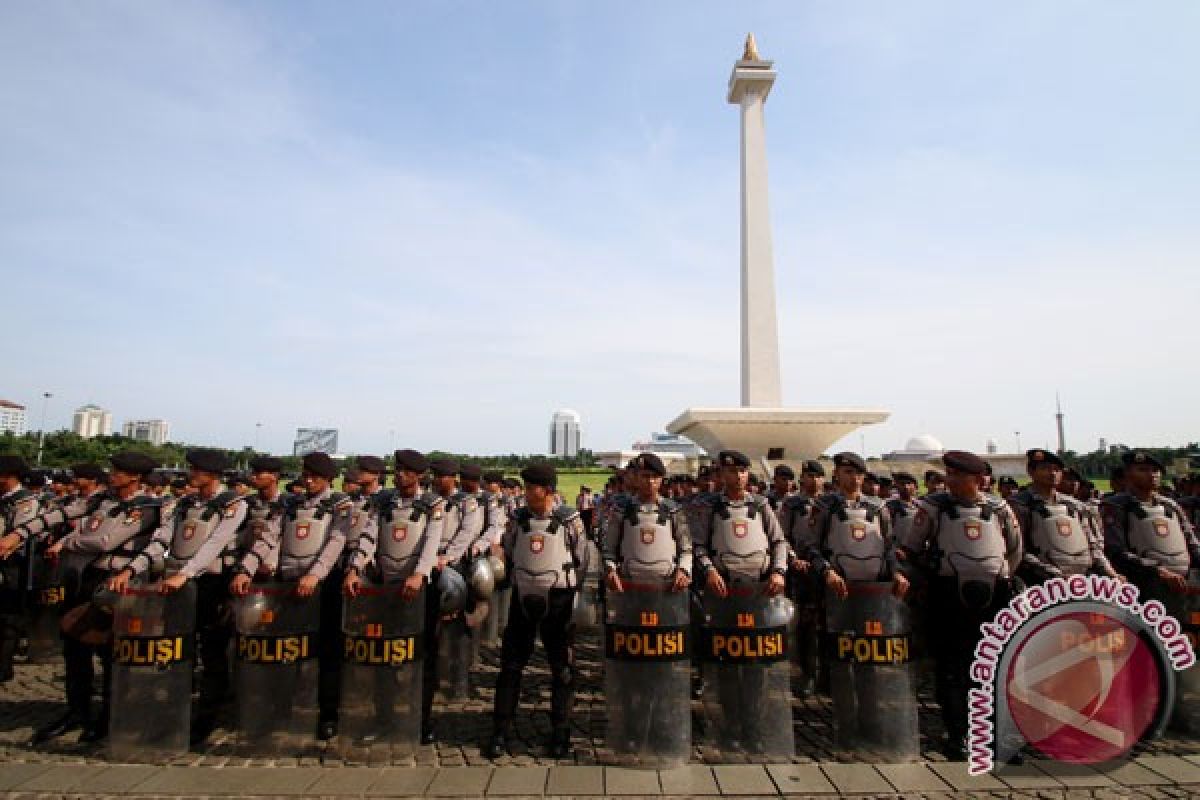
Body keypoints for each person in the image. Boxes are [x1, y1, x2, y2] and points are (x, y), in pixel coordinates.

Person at [106, 449, 248, 743]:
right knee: (174, 649)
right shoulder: (185, 505)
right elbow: (160, 541)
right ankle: (174, 711)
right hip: (176, 584)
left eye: (196, 470)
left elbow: (215, 543)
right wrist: (131, 570)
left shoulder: (233, 505)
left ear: (211, 474)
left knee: (212, 653)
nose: (190, 474)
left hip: (211, 583)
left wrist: (186, 573)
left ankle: (206, 718)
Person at [23, 451, 163, 744]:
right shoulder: (102, 500)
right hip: (86, 577)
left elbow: (106, 540)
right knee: (74, 646)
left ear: (134, 477)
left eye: (118, 471)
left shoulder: (146, 507)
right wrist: (20, 533)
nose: (112, 475)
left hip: (118, 582)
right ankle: (77, 710)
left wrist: (68, 542)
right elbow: (60, 515)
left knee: (111, 650)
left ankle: (109, 715)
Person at [899, 450, 1022, 760]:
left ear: (979, 480)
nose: (950, 480)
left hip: (994, 595)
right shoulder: (934, 507)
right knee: (953, 667)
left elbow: (1015, 550)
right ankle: (958, 735)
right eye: (949, 474)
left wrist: (998, 574)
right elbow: (912, 549)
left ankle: (995, 734)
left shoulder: (998, 508)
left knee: (995, 664)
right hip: (949, 595)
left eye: (958, 475)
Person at [230, 451, 356, 740]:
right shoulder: (289, 505)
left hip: (322, 584)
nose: (308, 481)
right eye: (306, 475)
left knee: (326, 652)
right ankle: (282, 708)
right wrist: (246, 569)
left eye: (315, 477)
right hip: (287, 582)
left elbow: (336, 540)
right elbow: (267, 538)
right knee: (286, 649)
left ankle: (327, 714)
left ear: (328, 479)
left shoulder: (339, 505)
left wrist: (316, 573)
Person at [486, 463, 589, 759]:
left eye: (533, 488)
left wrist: (571, 590)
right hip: (523, 596)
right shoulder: (518, 518)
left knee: (562, 668)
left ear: (548, 490)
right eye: (527, 487)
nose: (527, 492)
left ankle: (561, 730)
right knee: (510, 665)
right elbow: (507, 547)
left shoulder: (570, 520)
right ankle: (501, 729)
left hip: (558, 598)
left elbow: (581, 558)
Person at [343, 448, 442, 744]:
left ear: (420, 475)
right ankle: (382, 717)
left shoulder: (431, 504)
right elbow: (369, 536)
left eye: (407, 471)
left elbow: (430, 541)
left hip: (419, 588)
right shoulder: (383, 502)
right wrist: (354, 568)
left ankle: (421, 720)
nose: (400, 474)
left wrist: (420, 573)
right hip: (385, 587)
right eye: (397, 469)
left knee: (423, 657)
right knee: (384, 654)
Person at [691, 450, 788, 752]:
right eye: (732, 472)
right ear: (721, 475)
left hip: (758, 593)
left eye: (743, 471)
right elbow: (698, 546)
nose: (738, 477)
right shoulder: (710, 507)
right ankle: (730, 726)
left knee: (756, 666)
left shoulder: (761, 505)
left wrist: (779, 571)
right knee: (728, 665)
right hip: (724, 595)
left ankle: (753, 728)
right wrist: (708, 571)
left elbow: (779, 541)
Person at [1007, 449, 1119, 584]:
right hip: (1041, 581)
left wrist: (1111, 573)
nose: (1052, 473)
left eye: (1057, 470)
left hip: (1082, 579)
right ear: (1031, 472)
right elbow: (1018, 550)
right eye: (1045, 469)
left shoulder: (1075, 506)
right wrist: (1054, 575)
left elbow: (1093, 546)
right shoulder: (1019, 505)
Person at [1102, 451, 1199, 599]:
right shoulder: (1116, 506)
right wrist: (1158, 571)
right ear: (1128, 474)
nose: (1152, 474)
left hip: (1183, 584)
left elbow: (1192, 543)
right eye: (1143, 470)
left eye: (1155, 470)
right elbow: (1115, 551)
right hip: (1142, 586)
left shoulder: (1171, 506)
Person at [0, 455, 42, 682]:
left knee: (9, 618)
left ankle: (4, 666)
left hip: (13, 565)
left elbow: (20, 534)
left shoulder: (25, 501)